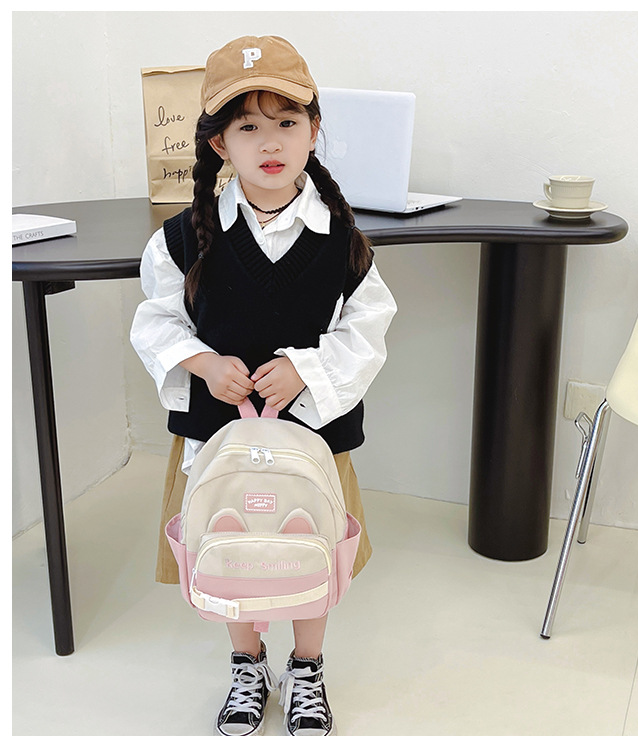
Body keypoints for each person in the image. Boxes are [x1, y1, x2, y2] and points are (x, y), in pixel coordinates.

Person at [130, 35, 397, 736]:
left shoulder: (342, 240)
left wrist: (308, 367)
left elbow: (368, 327)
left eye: (286, 121)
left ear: (314, 129)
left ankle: (307, 666)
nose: (270, 142)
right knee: (234, 553)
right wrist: (201, 362)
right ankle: (246, 662)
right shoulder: (182, 239)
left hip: (312, 440)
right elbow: (155, 321)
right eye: (247, 126)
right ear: (219, 143)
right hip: (219, 439)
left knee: (310, 549)